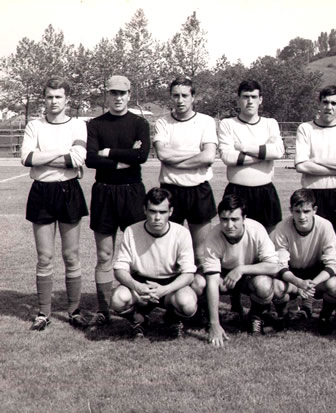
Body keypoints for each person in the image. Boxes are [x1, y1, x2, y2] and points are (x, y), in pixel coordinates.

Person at [20, 77, 89, 331]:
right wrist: (62, 155)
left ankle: (74, 311)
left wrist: (43, 158)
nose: (53, 101)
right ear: (44, 98)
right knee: (44, 257)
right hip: (41, 191)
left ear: (66, 100)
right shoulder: (34, 126)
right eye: (49, 97)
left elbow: (78, 158)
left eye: (58, 97)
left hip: (69, 190)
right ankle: (43, 313)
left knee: (71, 256)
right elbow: (26, 158)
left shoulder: (78, 126)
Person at [86, 75, 150, 330]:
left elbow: (142, 156)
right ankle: (104, 310)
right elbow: (91, 160)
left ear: (129, 94)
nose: (118, 97)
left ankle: (140, 306)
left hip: (132, 192)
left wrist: (108, 152)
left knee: (137, 255)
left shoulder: (139, 123)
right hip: (104, 192)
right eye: (113, 93)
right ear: (107, 95)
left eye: (122, 93)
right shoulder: (95, 124)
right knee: (104, 255)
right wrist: (126, 158)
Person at [110, 188, 198, 338]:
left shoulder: (181, 232)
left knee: (187, 303)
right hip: (141, 284)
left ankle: (173, 318)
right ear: (145, 210)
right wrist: (138, 286)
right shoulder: (131, 231)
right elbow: (120, 269)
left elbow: (189, 274)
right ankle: (138, 320)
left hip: (170, 285)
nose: (157, 217)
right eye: (153, 211)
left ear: (171, 211)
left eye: (162, 212)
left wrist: (165, 289)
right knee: (118, 299)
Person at [195, 195, 279, 347]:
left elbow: (274, 266)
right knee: (199, 283)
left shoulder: (256, 229)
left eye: (234, 219)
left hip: (249, 274)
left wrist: (241, 269)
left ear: (244, 218)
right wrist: (215, 324)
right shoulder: (213, 236)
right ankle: (208, 317)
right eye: (224, 219)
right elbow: (213, 282)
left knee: (264, 284)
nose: (229, 225)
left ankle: (256, 316)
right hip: (224, 275)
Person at [153, 77, 218, 270]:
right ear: (170, 97)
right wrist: (194, 154)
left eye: (184, 95)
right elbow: (163, 155)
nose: (180, 100)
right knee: (169, 250)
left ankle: (202, 298)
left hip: (199, 190)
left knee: (201, 253)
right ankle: (170, 297)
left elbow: (208, 157)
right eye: (175, 95)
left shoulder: (205, 122)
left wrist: (176, 160)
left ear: (193, 97)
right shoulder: (163, 122)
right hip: (171, 191)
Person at [271, 189, 336, 334]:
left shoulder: (325, 226)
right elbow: (281, 265)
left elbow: (331, 265)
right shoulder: (282, 227)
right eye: (297, 211)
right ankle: (283, 316)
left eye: (306, 211)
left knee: (334, 285)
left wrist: (311, 284)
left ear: (314, 210)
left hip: (317, 273)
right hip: (293, 274)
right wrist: (299, 283)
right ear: (291, 210)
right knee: (277, 286)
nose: (302, 216)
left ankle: (324, 317)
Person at [217, 80, 284, 233]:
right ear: (238, 99)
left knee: (267, 243)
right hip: (236, 191)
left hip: (265, 191)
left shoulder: (270, 123)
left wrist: (244, 147)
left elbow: (278, 151)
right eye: (246, 97)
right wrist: (263, 155)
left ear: (260, 99)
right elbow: (228, 157)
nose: (250, 101)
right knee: (234, 239)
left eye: (254, 97)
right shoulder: (227, 124)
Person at [295, 85, 336, 238]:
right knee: (312, 238)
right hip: (312, 192)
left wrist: (317, 160)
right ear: (319, 104)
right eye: (325, 102)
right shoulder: (305, 128)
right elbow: (301, 165)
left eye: (334, 103)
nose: (329, 107)